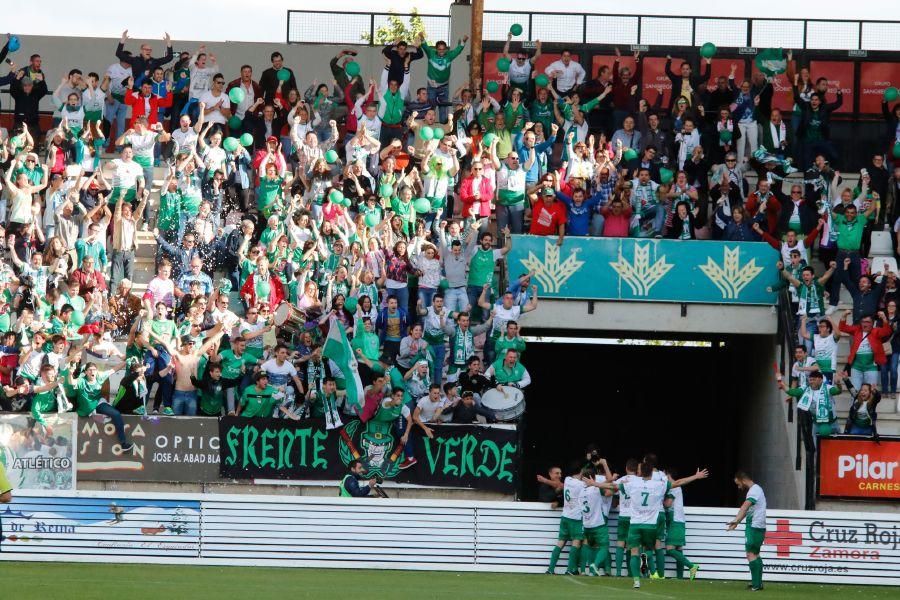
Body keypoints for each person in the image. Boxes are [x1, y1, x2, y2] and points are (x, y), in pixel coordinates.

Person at [597, 461, 708, 589]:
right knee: (650, 550)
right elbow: (678, 483)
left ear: (640, 472)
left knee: (634, 552)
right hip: (651, 524)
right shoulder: (658, 484)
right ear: (651, 472)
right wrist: (695, 476)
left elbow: (612, 486)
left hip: (635, 524)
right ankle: (654, 571)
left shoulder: (632, 483)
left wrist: (594, 484)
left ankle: (638, 579)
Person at [727, 471, 767, 592]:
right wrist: (737, 522)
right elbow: (747, 510)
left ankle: (756, 585)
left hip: (754, 526)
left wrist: (735, 519)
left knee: (751, 554)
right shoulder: (755, 490)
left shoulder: (754, 491)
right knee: (755, 554)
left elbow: (745, 506)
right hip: (757, 526)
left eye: (738, 483)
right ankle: (758, 583)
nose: (738, 487)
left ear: (742, 480)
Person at [545, 462, 588, 575]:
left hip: (565, 516)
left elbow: (560, 485)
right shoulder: (581, 484)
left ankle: (550, 569)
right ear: (581, 472)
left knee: (560, 542)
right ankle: (570, 569)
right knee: (576, 542)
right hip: (576, 518)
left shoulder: (568, 480)